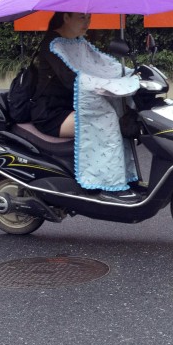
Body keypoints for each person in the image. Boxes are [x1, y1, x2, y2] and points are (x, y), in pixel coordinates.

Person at [29, 11, 141, 202]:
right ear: (66, 17)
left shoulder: (78, 41)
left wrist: (131, 74)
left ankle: (123, 178)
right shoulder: (53, 45)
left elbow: (102, 64)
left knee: (119, 113)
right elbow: (73, 79)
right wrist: (108, 84)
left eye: (89, 18)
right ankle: (108, 185)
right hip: (51, 112)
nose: (87, 22)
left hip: (72, 106)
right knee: (107, 121)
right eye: (82, 17)